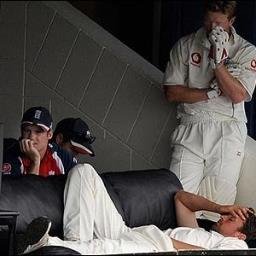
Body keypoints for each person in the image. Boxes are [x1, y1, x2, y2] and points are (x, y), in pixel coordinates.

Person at [18, 163, 256, 254]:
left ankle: (45, 245)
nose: (227, 217)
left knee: (105, 247)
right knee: (84, 172)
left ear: (241, 234)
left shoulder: (237, 246)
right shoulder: (204, 235)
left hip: (153, 248)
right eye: (229, 214)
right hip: (134, 233)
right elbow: (181, 198)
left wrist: (163, 244)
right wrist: (220, 206)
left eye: (233, 218)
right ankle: (77, 245)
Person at [163, 0, 256, 220]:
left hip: (227, 127)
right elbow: (171, 93)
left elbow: (238, 94)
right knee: (177, 194)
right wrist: (209, 93)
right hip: (191, 124)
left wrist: (218, 63)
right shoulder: (186, 45)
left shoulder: (246, 50)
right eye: (209, 20)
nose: (213, 27)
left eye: (219, 23)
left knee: (218, 200)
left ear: (231, 21)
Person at [2, 106, 76, 177]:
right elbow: (29, 190)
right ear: (21, 131)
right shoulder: (10, 155)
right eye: (27, 130)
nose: (31, 137)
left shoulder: (61, 156)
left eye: (38, 132)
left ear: (49, 134)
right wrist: (35, 161)